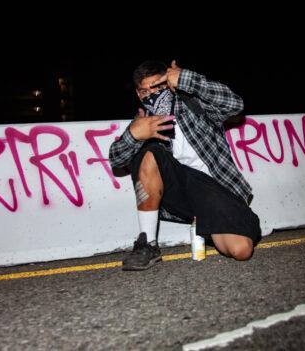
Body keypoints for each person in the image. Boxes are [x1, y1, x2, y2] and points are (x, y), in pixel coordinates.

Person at [109, 60, 262, 271]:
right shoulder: (144, 122)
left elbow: (235, 104)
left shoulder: (193, 105)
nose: (151, 95)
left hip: (216, 189)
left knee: (240, 251)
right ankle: (148, 244)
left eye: (158, 87)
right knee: (149, 152)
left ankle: (219, 221)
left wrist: (187, 79)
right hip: (183, 192)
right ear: (138, 94)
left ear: (169, 84)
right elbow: (116, 160)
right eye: (145, 91)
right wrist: (133, 136)